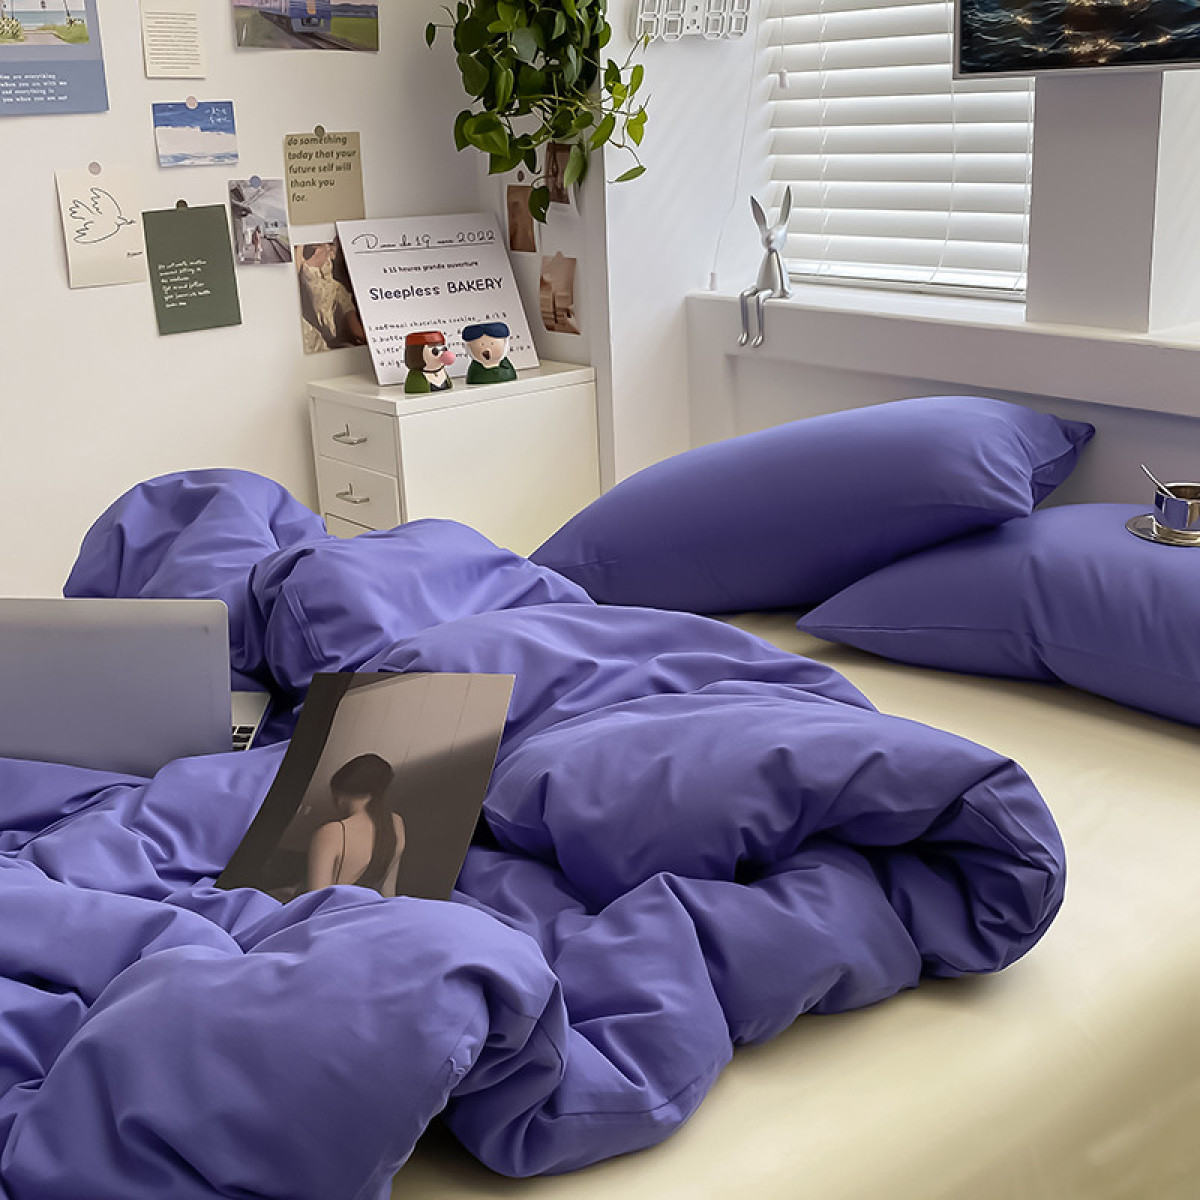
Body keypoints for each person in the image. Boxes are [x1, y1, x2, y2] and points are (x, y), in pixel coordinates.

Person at [307, 753, 406, 897]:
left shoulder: (331, 832)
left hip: (335, 909)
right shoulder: (395, 823)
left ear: (338, 794)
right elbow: (388, 891)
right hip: (371, 909)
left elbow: (315, 899)